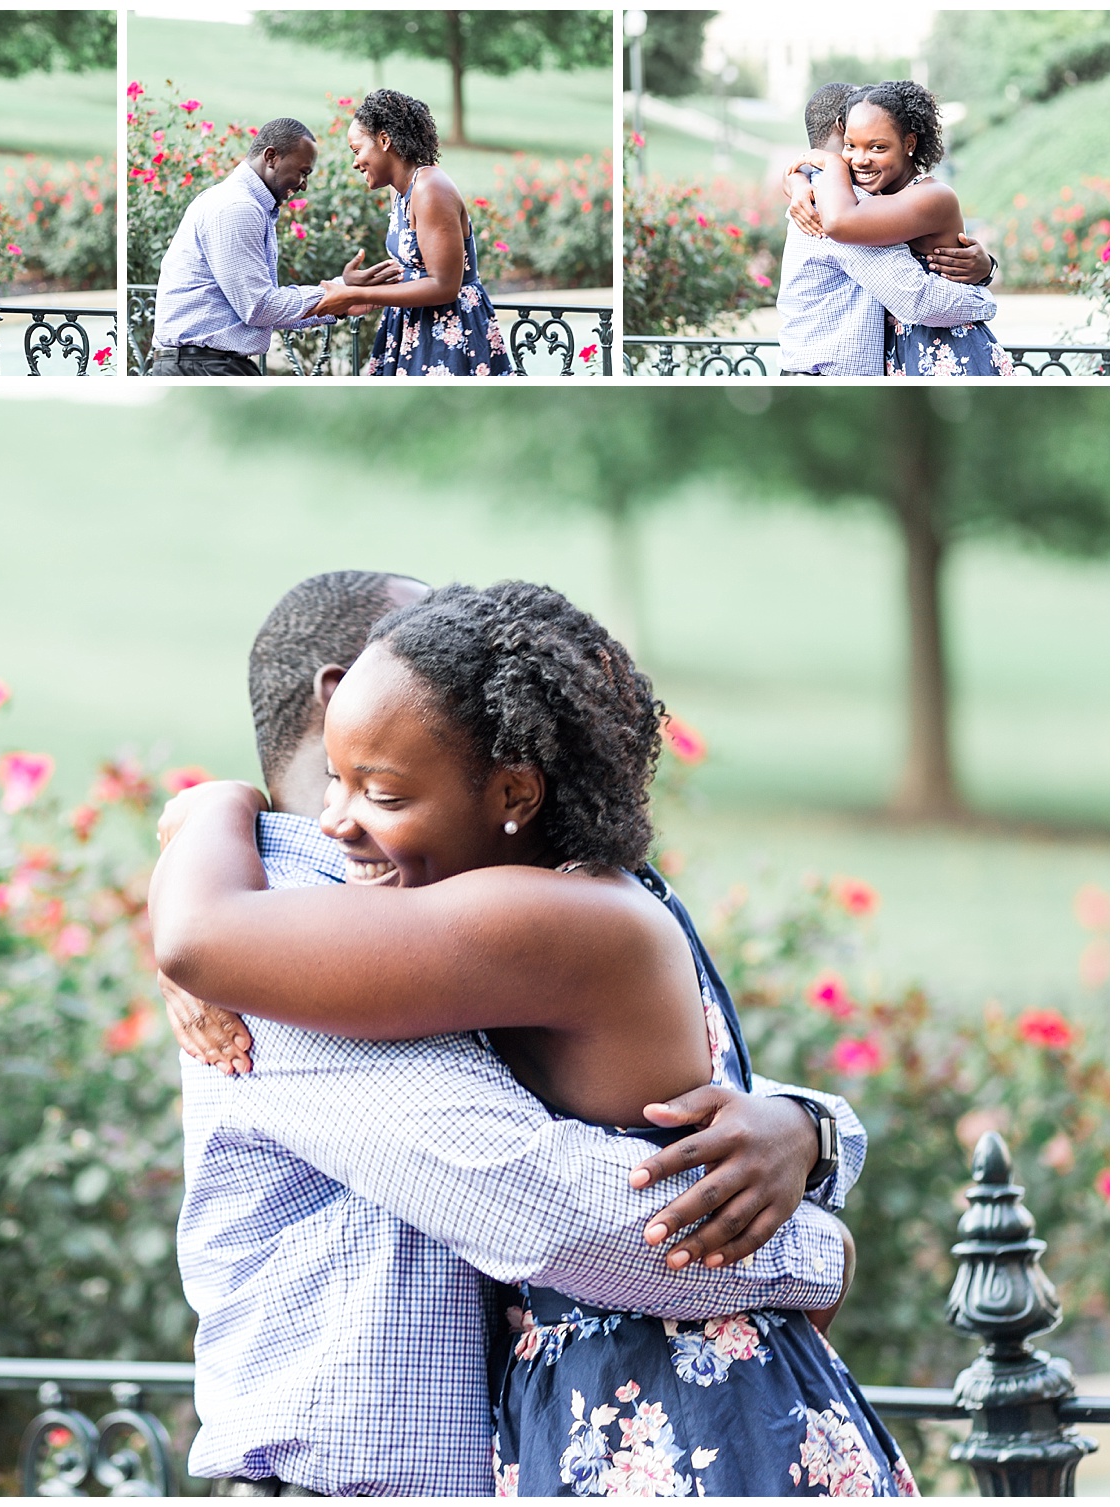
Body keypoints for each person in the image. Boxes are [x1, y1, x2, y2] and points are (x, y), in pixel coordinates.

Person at [151, 572, 889, 1497]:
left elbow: (617, 1148)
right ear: (345, 692)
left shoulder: (518, 912)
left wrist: (808, 1130)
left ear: (512, 779)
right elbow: (539, 1204)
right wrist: (818, 1245)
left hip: (673, 1421)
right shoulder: (306, 926)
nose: (346, 817)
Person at [784, 81, 1014, 377]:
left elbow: (842, 222)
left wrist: (828, 164)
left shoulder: (928, 196)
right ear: (845, 128)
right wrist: (798, 178)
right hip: (899, 357)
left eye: (877, 145)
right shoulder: (845, 197)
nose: (860, 158)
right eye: (852, 145)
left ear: (908, 143)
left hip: (945, 353)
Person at [150, 117, 402, 376]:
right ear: (271, 156)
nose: (304, 184)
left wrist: (343, 298)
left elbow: (262, 306)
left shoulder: (244, 204)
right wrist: (337, 294)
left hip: (204, 364)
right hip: (200, 367)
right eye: (303, 172)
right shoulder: (237, 208)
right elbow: (259, 307)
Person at [313, 90, 513, 377]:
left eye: (357, 150)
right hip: (413, 327)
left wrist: (352, 294)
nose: (355, 163)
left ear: (384, 141)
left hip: (448, 333)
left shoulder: (430, 188)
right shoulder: (401, 191)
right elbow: (416, 272)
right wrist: (363, 289)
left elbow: (445, 286)